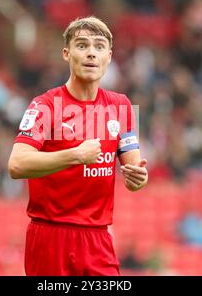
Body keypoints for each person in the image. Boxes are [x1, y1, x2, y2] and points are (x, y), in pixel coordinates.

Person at [8, 16, 148, 276]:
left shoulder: (122, 106)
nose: (91, 53)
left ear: (109, 55)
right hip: (50, 234)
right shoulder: (45, 105)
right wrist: (75, 155)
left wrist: (138, 177)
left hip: (98, 239)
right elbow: (17, 165)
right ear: (66, 53)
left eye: (98, 46)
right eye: (82, 45)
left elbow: (133, 174)